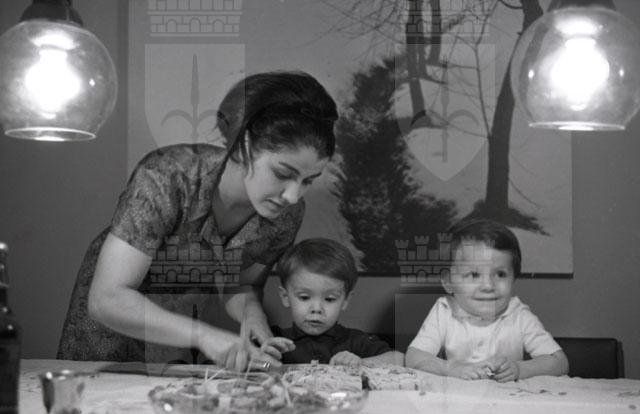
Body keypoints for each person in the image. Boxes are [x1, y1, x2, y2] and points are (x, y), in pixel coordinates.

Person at [57, 71, 339, 371]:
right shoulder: (168, 176)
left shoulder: (287, 215)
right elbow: (107, 299)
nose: (293, 195)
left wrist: (254, 321)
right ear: (245, 144)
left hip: (178, 332)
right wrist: (204, 336)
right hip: (111, 327)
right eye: (282, 174)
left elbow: (241, 284)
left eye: (308, 180)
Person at [405, 219, 569, 382]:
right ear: (448, 281)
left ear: (514, 278)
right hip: (457, 396)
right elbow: (413, 357)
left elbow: (560, 362)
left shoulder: (518, 315)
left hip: (507, 396)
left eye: (500, 274)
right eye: (474, 275)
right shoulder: (445, 310)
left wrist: (520, 369)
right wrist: (451, 368)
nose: (488, 286)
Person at [264, 238, 403, 366]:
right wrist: (263, 358)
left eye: (329, 299)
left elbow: (399, 359)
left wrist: (361, 363)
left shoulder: (356, 340)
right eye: (304, 297)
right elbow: (255, 365)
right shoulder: (274, 340)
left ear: (345, 300)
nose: (317, 309)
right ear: (285, 297)